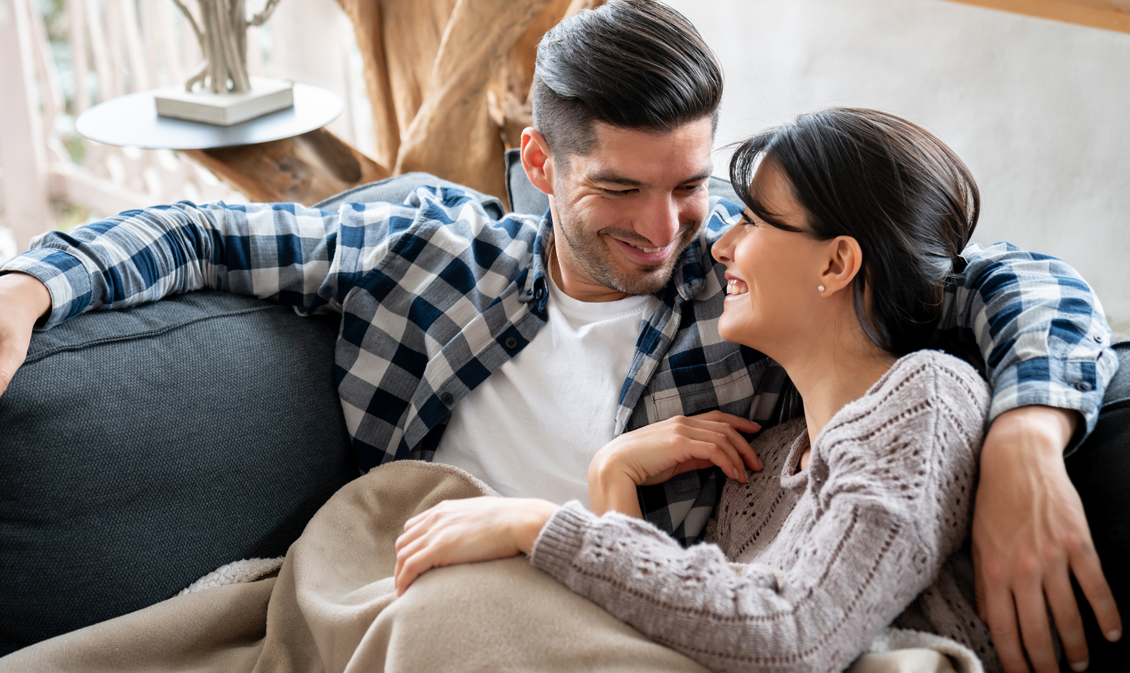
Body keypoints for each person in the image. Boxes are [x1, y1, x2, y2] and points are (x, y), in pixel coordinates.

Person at [0, 0, 1117, 672]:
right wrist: (32, 283)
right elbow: (210, 234)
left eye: (694, 185)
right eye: (622, 193)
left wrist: (1028, 432)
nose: (671, 230)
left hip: (590, 617)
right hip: (399, 577)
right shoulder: (428, 248)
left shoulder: (756, 286)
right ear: (540, 164)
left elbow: (996, 278)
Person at [390, 106, 1009, 671]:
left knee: (454, 612)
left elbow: (794, 635)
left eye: (752, 220)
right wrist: (613, 474)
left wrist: (539, 525)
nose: (722, 245)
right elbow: (654, 649)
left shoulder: (926, 397)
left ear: (834, 264)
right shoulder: (760, 469)